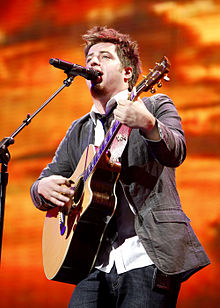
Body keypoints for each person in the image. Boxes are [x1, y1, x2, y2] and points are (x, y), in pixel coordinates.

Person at [30, 26, 210, 308]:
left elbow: (176, 152)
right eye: (89, 58)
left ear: (127, 73)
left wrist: (148, 124)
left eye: (104, 56)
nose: (93, 62)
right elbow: (44, 182)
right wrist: (42, 187)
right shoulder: (79, 130)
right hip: (93, 262)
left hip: (148, 257)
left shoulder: (155, 104)